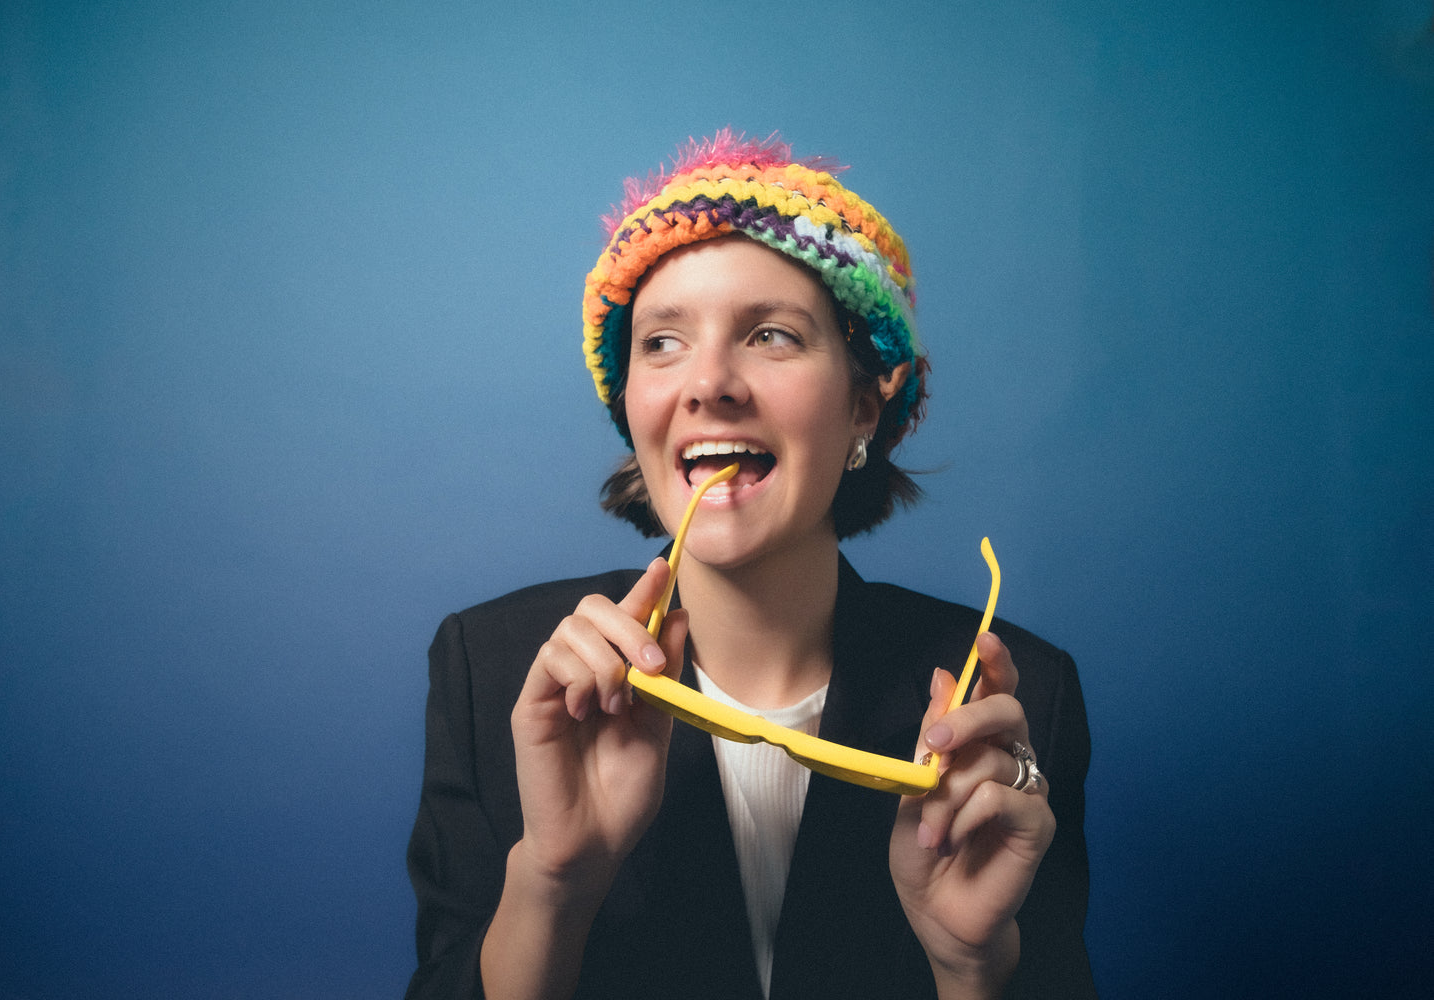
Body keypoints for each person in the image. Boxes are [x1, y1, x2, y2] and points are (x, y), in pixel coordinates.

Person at [405, 131, 1095, 1000]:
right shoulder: (492, 671)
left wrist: (972, 968)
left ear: (864, 406)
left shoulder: (1015, 703)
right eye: (661, 342)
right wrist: (553, 881)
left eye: (770, 335)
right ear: (633, 407)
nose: (708, 384)